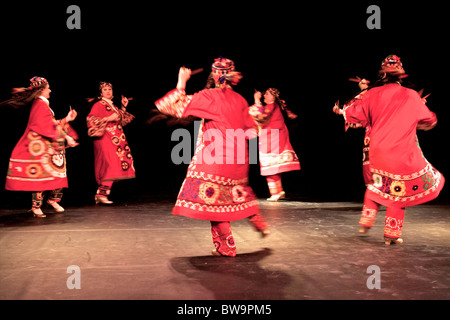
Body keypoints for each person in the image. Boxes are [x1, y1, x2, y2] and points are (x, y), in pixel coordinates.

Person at [155, 57, 269, 257]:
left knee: (215, 203)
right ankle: (256, 217)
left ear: (214, 75)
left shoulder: (210, 96)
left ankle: (227, 247)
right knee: (238, 190)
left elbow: (171, 106)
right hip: (238, 157)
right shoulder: (240, 100)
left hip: (216, 158)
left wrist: (182, 80)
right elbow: (252, 129)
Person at [335, 55, 445, 245]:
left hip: (376, 150)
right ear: (400, 76)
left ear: (382, 75)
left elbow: (353, 114)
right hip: (401, 151)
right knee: (402, 190)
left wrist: (341, 111)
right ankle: (391, 234)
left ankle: (366, 221)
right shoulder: (411, 95)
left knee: (378, 184)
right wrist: (416, 120)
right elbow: (430, 120)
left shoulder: (371, 94)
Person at [5, 77, 79, 217]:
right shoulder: (39, 105)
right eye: (48, 88)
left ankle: (53, 200)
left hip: (48, 147)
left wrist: (67, 120)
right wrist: (66, 136)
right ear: (41, 91)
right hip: (39, 148)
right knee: (41, 178)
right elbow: (44, 127)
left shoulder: (44, 105)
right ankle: (36, 206)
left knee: (57, 174)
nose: (50, 90)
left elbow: (50, 124)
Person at [86, 82, 136, 204]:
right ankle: (101, 194)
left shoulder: (112, 105)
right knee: (111, 163)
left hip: (116, 140)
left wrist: (123, 107)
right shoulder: (99, 105)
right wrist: (108, 119)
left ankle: (101, 194)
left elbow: (122, 121)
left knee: (115, 163)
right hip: (105, 138)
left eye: (110, 89)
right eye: (105, 89)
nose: (108, 91)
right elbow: (91, 119)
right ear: (101, 93)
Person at [249, 88, 300, 201]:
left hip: (272, 139)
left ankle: (275, 192)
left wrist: (256, 99)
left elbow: (259, 114)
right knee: (274, 166)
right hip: (272, 138)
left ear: (273, 97)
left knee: (270, 165)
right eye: (264, 94)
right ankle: (279, 191)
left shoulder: (271, 106)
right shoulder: (273, 107)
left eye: (267, 94)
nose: (264, 96)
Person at [333, 77, 371, 185]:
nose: (360, 83)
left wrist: (341, 111)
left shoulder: (369, 95)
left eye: (363, 81)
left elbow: (358, 113)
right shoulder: (366, 95)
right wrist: (341, 112)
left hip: (377, 132)